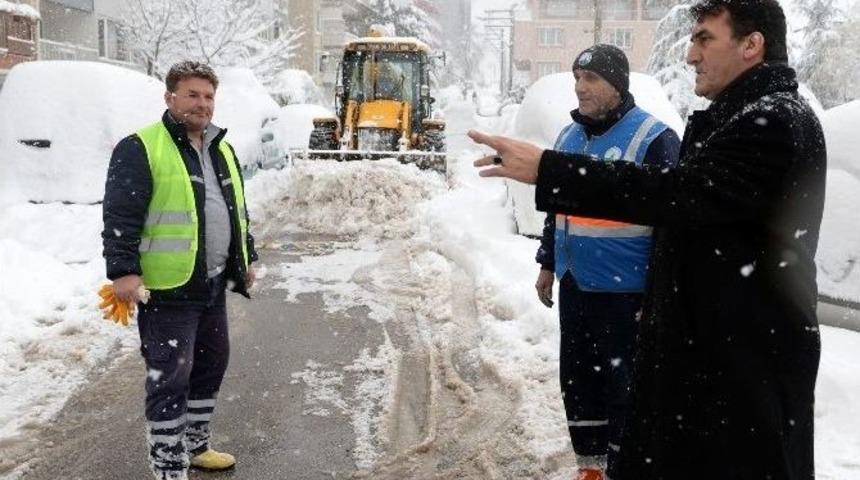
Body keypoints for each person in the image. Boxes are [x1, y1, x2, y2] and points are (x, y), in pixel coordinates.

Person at [471, 1, 826, 478]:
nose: (690, 56)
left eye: (704, 39)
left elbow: (677, 194)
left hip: (742, 366)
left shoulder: (774, 122)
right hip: (714, 354)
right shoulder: (740, 116)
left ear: (751, 45)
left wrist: (549, 170)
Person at [102, 61, 258, 480]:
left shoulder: (221, 147)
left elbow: (235, 210)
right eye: (192, 94)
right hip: (167, 288)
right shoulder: (142, 146)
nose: (201, 104)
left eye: (208, 96)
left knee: (211, 364)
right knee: (169, 376)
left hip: (209, 283)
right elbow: (121, 215)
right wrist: (123, 272)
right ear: (170, 97)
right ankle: (169, 466)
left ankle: (195, 445)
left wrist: (246, 258)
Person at [533, 44, 680, 480]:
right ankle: (591, 468)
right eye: (577, 78)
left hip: (627, 293)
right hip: (576, 284)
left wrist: (657, 295)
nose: (580, 87)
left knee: (625, 389)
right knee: (577, 383)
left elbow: (671, 228)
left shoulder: (654, 139)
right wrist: (547, 262)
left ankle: (624, 467)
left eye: (592, 78)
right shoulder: (567, 137)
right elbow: (554, 210)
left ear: (617, 84)